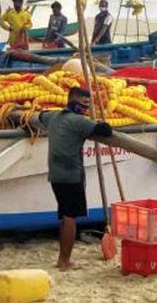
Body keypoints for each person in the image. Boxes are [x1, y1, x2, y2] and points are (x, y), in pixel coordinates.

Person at [38, 87, 113, 270]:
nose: (86, 108)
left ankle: (63, 259)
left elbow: (40, 116)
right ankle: (64, 261)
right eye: (84, 104)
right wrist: (101, 122)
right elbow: (105, 130)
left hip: (55, 175)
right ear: (74, 102)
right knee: (70, 218)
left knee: (65, 215)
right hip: (71, 176)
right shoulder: (79, 122)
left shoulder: (53, 117)